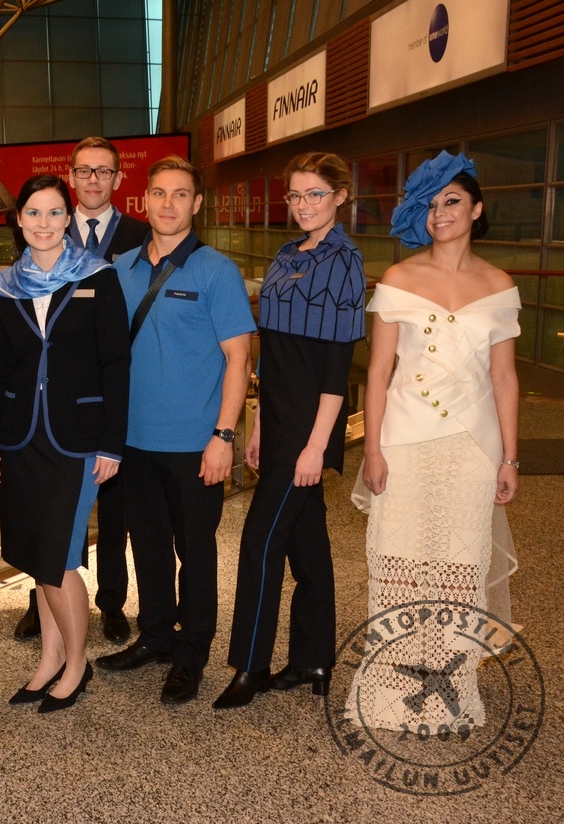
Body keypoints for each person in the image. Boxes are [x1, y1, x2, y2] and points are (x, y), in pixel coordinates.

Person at [345, 151, 520, 731]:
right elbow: (377, 373)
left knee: (458, 569)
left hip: (474, 448)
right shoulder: (399, 279)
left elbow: (504, 378)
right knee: (397, 562)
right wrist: (372, 449)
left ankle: (450, 690)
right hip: (404, 441)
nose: (440, 212)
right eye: (432, 203)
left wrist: (510, 457)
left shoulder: (499, 285)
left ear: (477, 210)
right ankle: (391, 690)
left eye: (452, 201)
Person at [101, 156, 254, 705]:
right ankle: (156, 635)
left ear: (197, 203)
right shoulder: (120, 268)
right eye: (160, 193)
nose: (168, 204)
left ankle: (192, 653)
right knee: (147, 546)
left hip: (195, 444)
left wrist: (224, 436)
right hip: (132, 441)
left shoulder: (216, 271)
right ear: (144, 200)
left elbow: (238, 359)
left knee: (196, 552)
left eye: (180, 194)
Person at [214, 152, 365, 709]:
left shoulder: (345, 260)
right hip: (277, 416)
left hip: (309, 424)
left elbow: (335, 369)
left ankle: (250, 666)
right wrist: (258, 423)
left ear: (340, 196)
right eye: (296, 195)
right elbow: (273, 354)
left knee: (259, 541)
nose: (303, 205)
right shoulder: (285, 253)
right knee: (308, 543)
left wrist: (317, 445)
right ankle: (313, 660)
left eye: (315, 194)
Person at [0, 174, 130, 712]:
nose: (43, 223)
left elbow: (116, 364)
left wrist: (113, 444)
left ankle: (76, 665)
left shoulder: (98, 276)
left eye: (53, 212)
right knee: (36, 556)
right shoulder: (4, 285)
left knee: (60, 559)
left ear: (69, 219)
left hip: (79, 440)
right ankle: (48, 660)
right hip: (21, 439)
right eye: (33, 213)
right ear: (18, 220)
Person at [25, 135, 147, 645]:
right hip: (54, 400)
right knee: (50, 512)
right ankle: (42, 603)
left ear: (119, 177)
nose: (93, 179)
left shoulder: (141, 234)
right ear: (70, 176)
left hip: (114, 390)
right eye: (83, 170)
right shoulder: (45, 226)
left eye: (103, 171)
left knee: (115, 510)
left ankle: (112, 602)